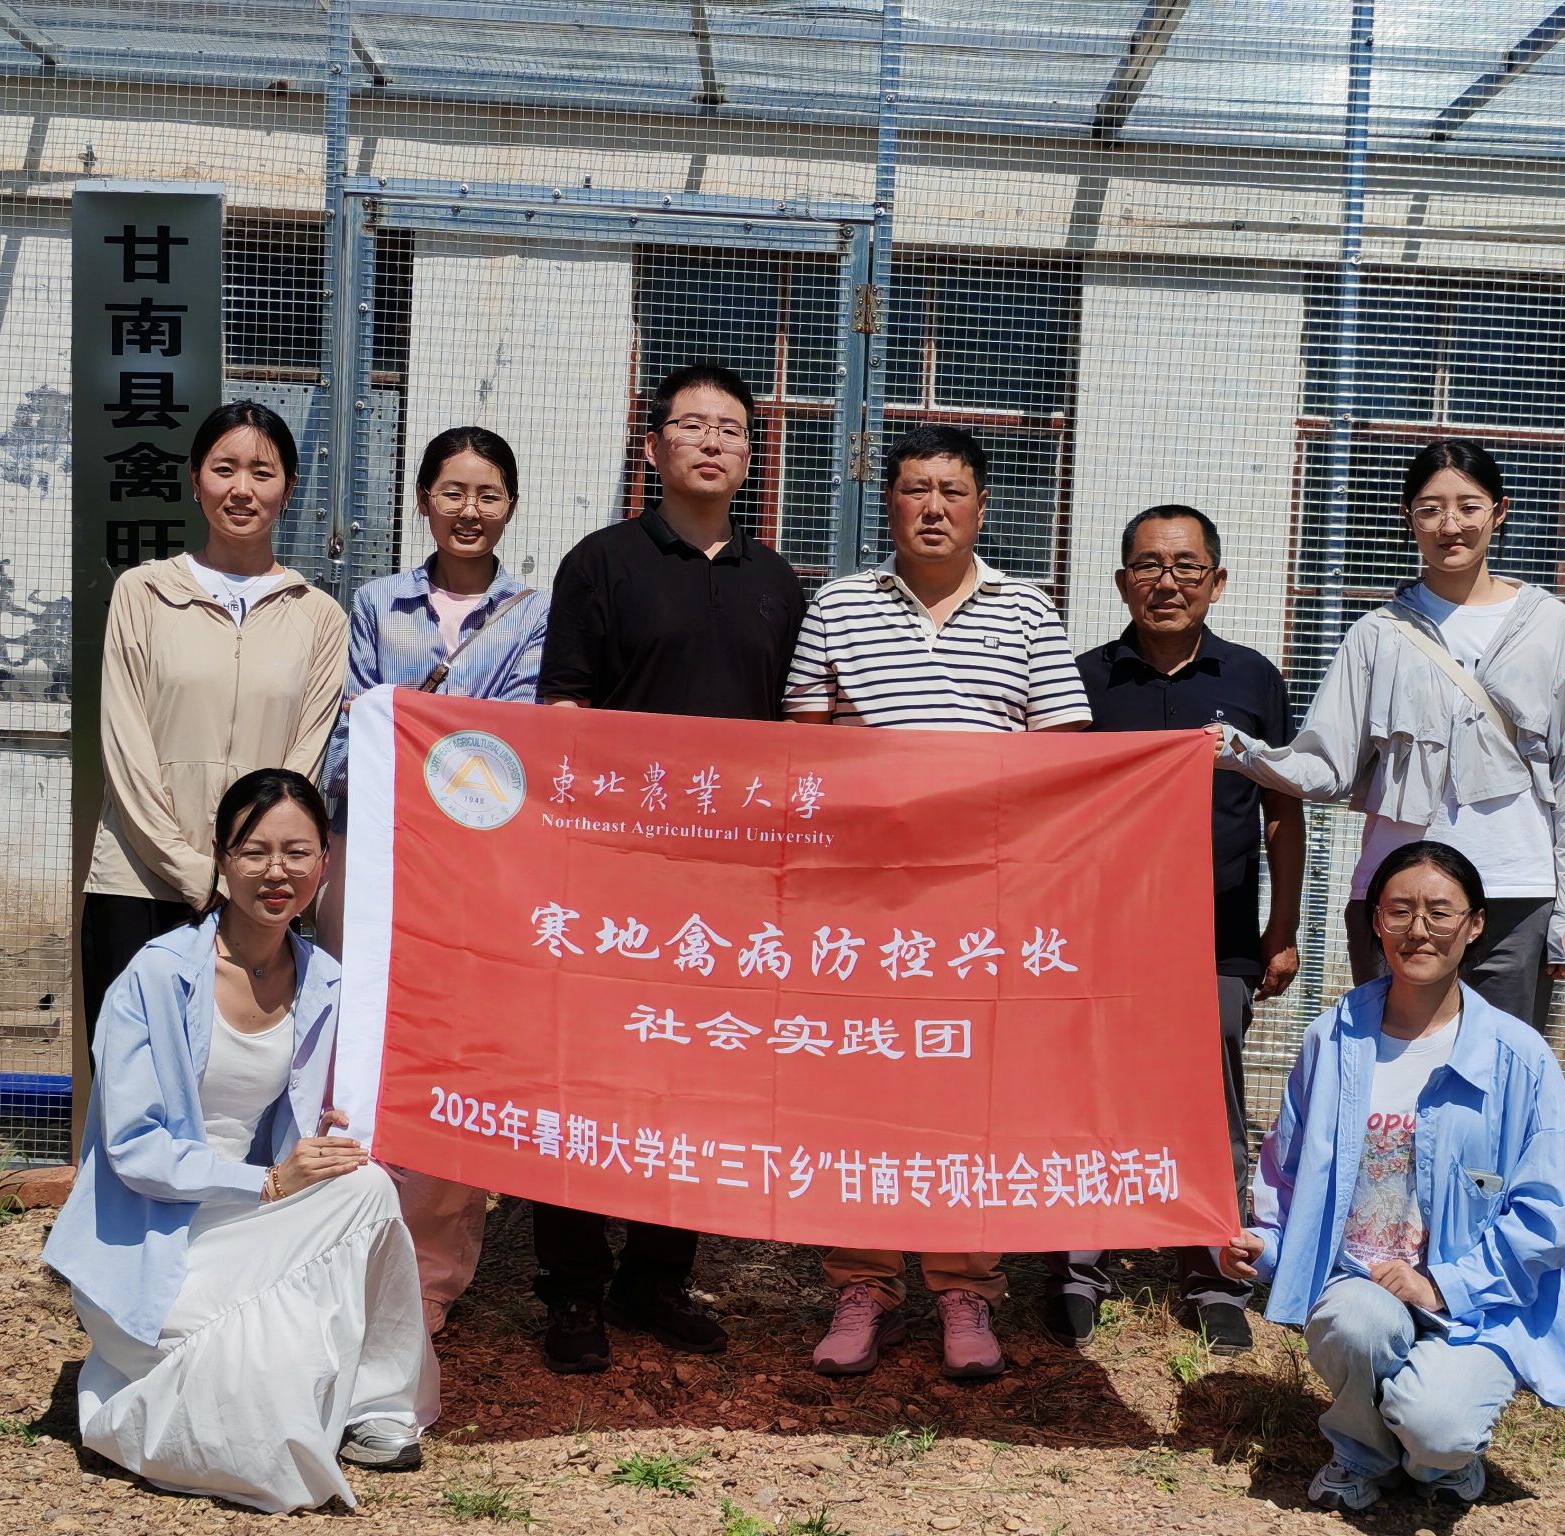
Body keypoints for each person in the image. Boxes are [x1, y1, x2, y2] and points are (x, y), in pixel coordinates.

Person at [43, 769, 438, 1514]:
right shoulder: (156, 977)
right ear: (222, 859)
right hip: (152, 1240)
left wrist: (335, 1139)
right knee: (270, 1370)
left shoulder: (327, 982)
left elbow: (341, 1115)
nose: (277, 871)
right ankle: (198, 1382)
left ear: (325, 862)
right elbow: (133, 1148)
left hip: (255, 1226)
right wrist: (269, 1182)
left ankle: (376, 1406)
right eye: (255, 851)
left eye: (297, 852)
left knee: (366, 1186)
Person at [786, 423, 1091, 1381]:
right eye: (915, 489)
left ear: (981, 507)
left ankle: (966, 1289)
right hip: (864, 911)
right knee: (862, 1090)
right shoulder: (838, 606)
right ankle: (862, 1285)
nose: (933, 508)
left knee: (972, 1096)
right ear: (888, 503)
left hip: (981, 908)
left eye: (951, 491)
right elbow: (802, 750)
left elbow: (1062, 763)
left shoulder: (1029, 611)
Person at [530, 362, 806, 1374]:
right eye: (691, 425)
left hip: (728, 886)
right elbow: (563, 713)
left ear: (750, 455)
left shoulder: (778, 582)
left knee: (697, 1080)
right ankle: (571, 1288)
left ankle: (655, 1277)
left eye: (731, 428)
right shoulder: (600, 562)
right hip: (616, 876)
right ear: (651, 448)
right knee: (588, 1080)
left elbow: (797, 738)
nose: (711, 441)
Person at [1222, 840, 1565, 1512]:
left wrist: (1443, 1284)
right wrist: (1265, 1244)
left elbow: (1548, 1218)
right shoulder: (1333, 1038)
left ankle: (1434, 1451)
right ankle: (1361, 1452)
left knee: (1439, 1432)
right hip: (1358, 1284)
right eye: (1399, 911)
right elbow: (1287, 1169)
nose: (1419, 930)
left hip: (1472, 1306)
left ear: (1474, 924)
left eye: (1439, 912)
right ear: (1376, 923)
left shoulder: (1521, 1058)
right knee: (1356, 1323)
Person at [1211, 440, 1565, 1031]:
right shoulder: (1377, 634)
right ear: (1408, 518)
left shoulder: (1550, 625)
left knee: (1499, 1065)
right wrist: (1243, 753)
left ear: (1499, 512)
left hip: (1515, 893)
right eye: (1430, 509)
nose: (1450, 525)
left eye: (1469, 507)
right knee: (1394, 1061)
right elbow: (1328, 767)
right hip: (1396, 896)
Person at [1045, 504, 1304, 1356]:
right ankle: (1079, 1263)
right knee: (1092, 1094)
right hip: (1101, 937)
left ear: (1216, 581)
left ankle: (1213, 1271)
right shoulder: (1081, 680)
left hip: (1216, 936)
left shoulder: (1254, 680)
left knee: (1210, 1101)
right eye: (1150, 567)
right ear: (1122, 583)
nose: (1168, 582)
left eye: (1187, 566)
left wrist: (1281, 927)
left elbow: (1281, 812)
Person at [318, 426, 548, 1334]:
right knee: (359, 1047)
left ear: (510, 506)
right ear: (423, 500)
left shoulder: (533, 614)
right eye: (452, 491)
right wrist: (445, 743)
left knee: (457, 1058)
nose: (469, 510)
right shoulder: (376, 604)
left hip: (474, 876)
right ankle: (346, 1245)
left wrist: (414, 730)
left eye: (488, 494)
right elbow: (350, 738)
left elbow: (518, 744)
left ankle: (432, 1276)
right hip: (372, 861)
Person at [80, 400, 347, 1040]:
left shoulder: (319, 617)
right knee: (131, 1067)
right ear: (195, 480)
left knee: (240, 1074)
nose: (242, 489)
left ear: (289, 488)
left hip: (256, 892)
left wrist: (244, 868)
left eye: (263, 472)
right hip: (138, 879)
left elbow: (301, 768)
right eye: (224, 469)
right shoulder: (143, 592)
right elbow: (124, 746)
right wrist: (192, 867)